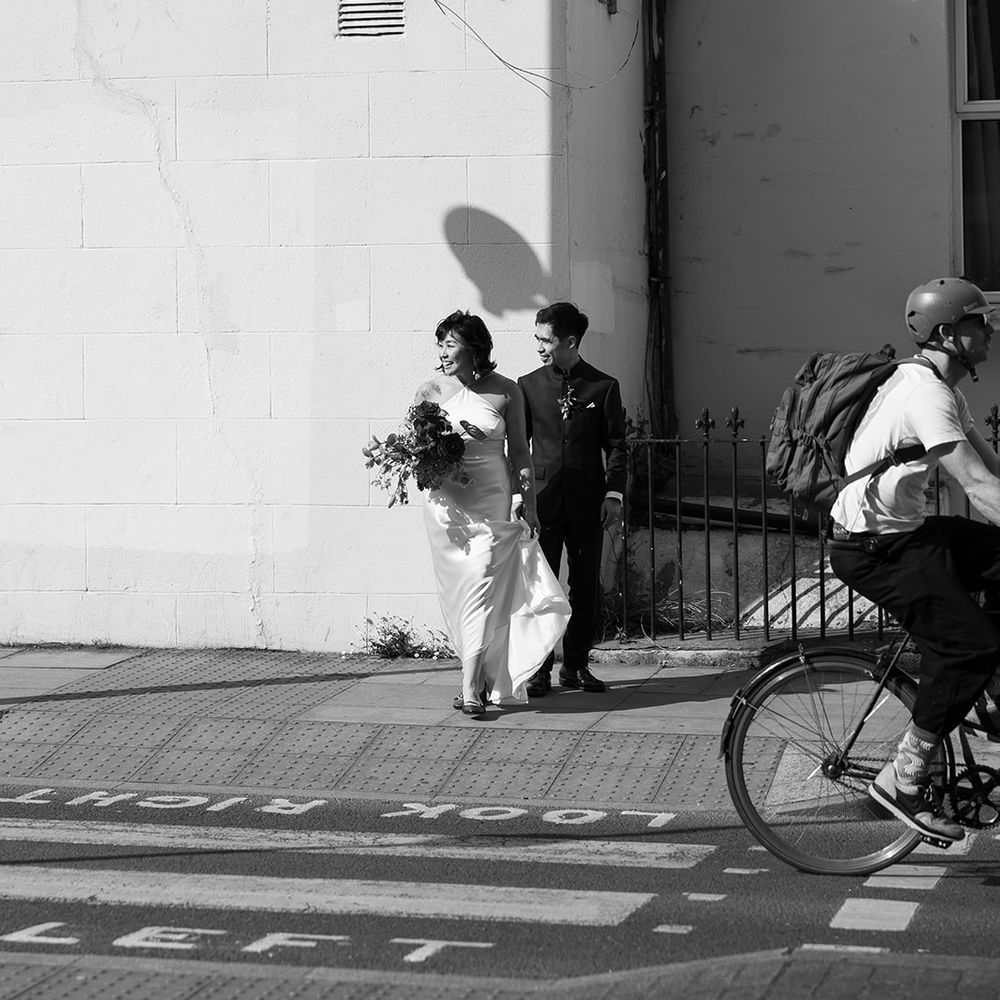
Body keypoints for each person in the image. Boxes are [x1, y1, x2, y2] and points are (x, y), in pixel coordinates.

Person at [829, 276, 1000, 843]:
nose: (990, 329)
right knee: (967, 645)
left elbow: (993, 471)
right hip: (874, 548)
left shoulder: (942, 387)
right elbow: (976, 487)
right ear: (950, 334)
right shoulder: (924, 392)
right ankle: (901, 780)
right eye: (980, 322)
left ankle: (992, 692)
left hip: (907, 532)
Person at [415, 310, 571, 718]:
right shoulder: (430, 390)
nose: (443, 352)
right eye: (440, 344)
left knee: (484, 584)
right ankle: (482, 678)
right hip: (447, 507)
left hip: (492, 499)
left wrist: (529, 503)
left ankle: (470, 687)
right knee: (460, 594)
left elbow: (520, 451)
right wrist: (431, 460)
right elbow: (417, 453)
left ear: (475, 349)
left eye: (450, 344)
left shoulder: (506, 391)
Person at [517, 302, 627, 696]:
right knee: (542, 587)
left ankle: (577, 665)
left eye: (545, 340)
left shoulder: (603, 386)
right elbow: (519, 447)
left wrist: (614, 493)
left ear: (570, 341)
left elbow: (616, 446)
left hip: (587, 502)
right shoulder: (527, 385)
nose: (539, 347)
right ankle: (540, 668)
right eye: (538, 339)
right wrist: (520, 496)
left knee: (585, 586)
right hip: (542, 503)